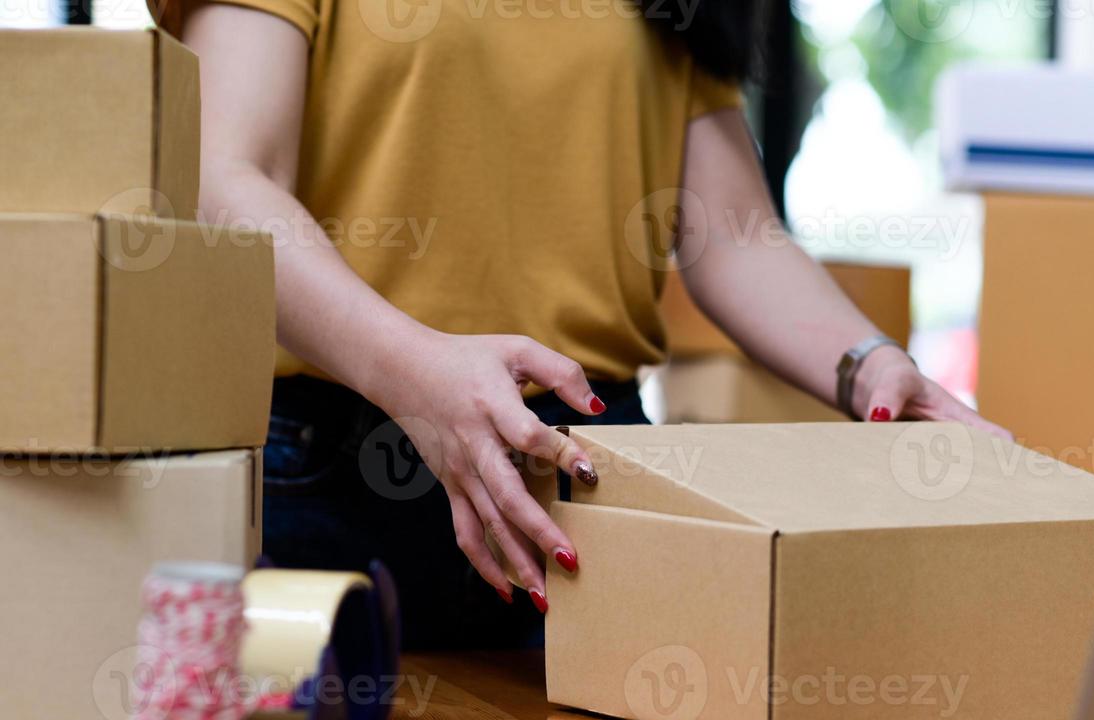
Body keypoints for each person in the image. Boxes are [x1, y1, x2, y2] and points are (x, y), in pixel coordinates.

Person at [168, 0, 1009, 648]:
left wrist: (867, 364)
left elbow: (729, 237)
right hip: (340, 469)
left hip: (591, 480)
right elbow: (220, 182)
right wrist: (414, 375)